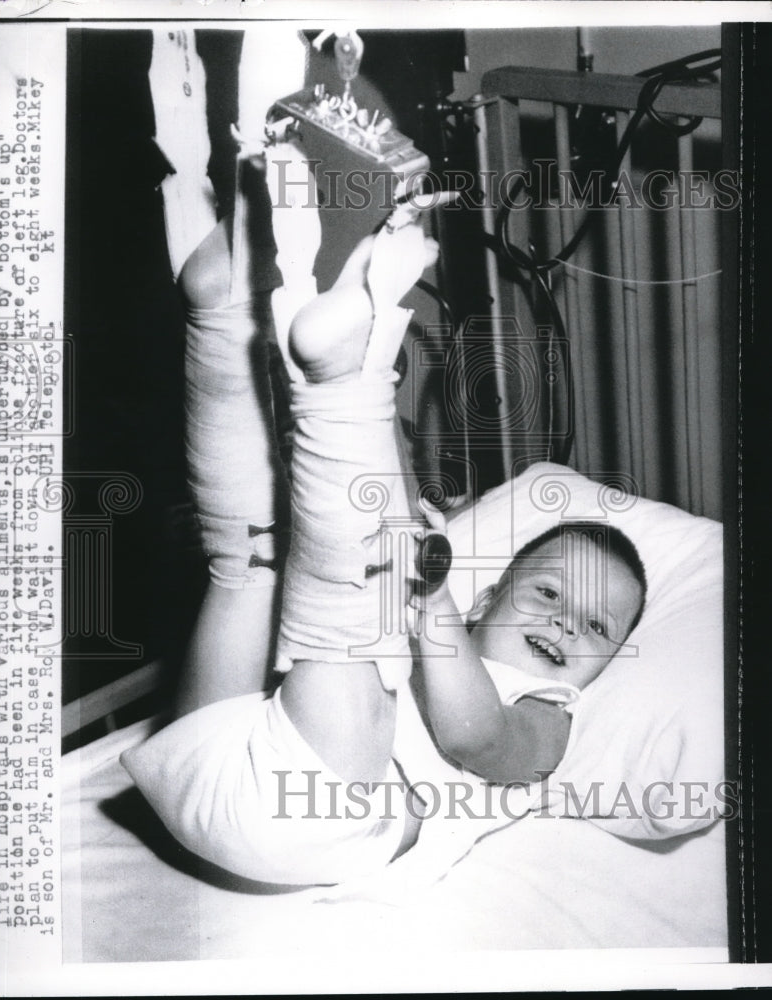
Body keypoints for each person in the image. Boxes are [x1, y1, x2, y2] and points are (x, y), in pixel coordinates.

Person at [121, 141, 646, 888]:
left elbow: (474, 738)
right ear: (490, 594)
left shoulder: (547, 713)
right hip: (211, 753)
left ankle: (340, 377)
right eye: (550, 594)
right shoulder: (442, 622)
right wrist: (423, 577)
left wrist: (424, 592)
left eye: (598, 627)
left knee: (351, 605)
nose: (567, 626)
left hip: (310, 817)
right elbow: (384, 515)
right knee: (253, 556)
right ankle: (221, 316)